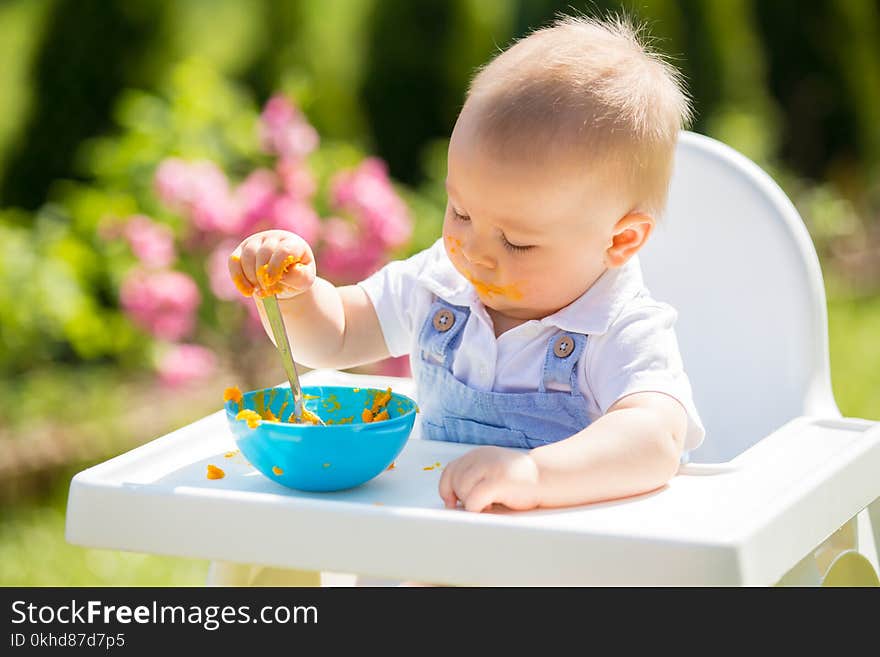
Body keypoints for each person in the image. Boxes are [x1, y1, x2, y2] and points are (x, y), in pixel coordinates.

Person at [228, 14, 704, 518]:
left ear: (621, 240)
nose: (473, 251)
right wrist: (296, 294)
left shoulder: (619, 328)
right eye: (460, 212)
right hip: (437, 537)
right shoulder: (441, 285)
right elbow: (336, 337)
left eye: (517, 242)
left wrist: (538, 475)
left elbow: (654, 439)